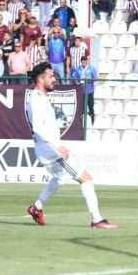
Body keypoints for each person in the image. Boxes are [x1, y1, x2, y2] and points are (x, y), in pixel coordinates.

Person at [25, 62, 117, 229]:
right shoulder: (36, 99)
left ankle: (36, 207)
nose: (54, 79)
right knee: (86, 178)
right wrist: (56, 147)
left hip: (48, 149)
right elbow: (38, 127)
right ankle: (96, 219)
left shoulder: (40, 97)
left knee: (58, 178)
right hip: (51, 151)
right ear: (40, 78)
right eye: (51, 76)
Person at [71, 56, 98, 125]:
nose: (84, 63)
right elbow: (74, 77)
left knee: (91, 106)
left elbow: (95, 78)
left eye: (85, 62)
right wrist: (77, 82)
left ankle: (92, 122)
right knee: (82, 108)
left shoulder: (91, 68)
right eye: (82, 62)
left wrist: (89, 80)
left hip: (90, 91)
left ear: (87, 61)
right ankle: (82, 123)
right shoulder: (78, 69)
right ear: (81, 62)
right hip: (81, 91)